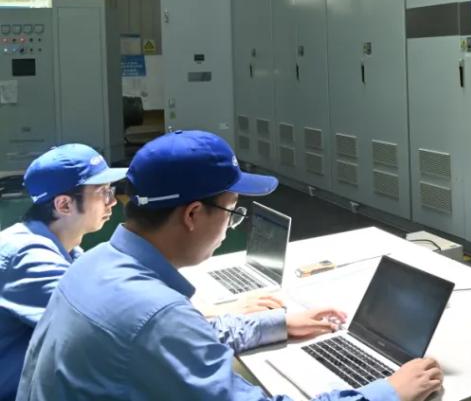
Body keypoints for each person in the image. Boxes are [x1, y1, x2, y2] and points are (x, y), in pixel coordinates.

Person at [17, 130, 443, 401]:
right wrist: (386, 393)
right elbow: (167, 333)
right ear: (192, 215)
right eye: (232, 212)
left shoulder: (94, 264)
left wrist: (275, 323)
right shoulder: (155, 315)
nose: (231, 225)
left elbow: (179, 339)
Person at [0, 144, 126, 401]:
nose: (113, 201)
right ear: (64, 204)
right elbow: (109, 328)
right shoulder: (27, 257)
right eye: (103, 192)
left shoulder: (64, 248)